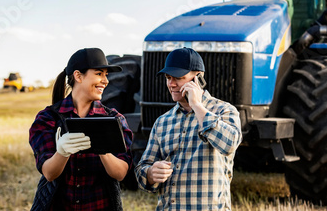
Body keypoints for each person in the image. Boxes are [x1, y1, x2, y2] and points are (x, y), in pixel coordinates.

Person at [135, 47, 242, 210]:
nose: (171, 84)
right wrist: (149, 174)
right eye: (168, 78)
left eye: (178, 77)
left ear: (198, 78)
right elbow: (142, 168)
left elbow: (229, 144)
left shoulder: (225, 111)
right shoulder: (162, 122)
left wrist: (197, 105)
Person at [29, 47, 133, 211]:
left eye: (106, 75)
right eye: (99, 74)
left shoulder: (116, 120)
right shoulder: (47, 118)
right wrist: (61, 153)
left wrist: (103, 148)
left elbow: (120, 174)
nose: (105, 80)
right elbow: (49, 173)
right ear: (78, 76)